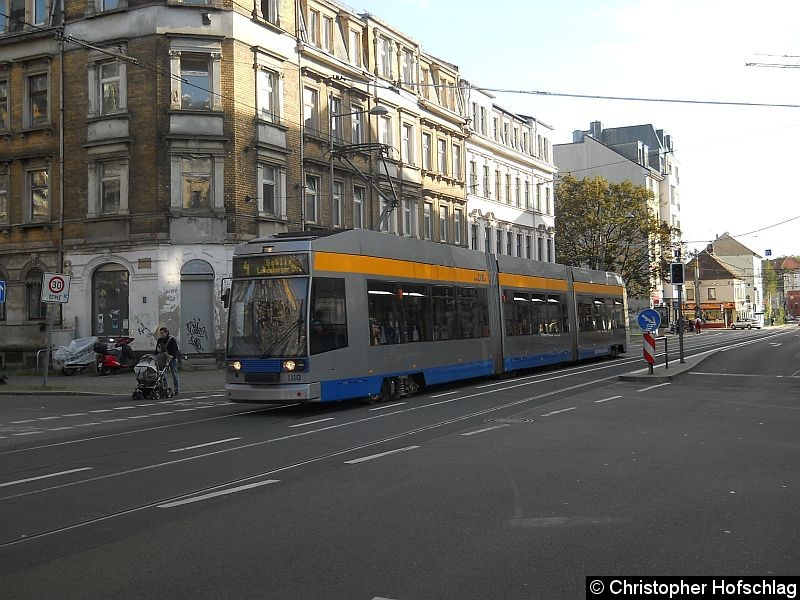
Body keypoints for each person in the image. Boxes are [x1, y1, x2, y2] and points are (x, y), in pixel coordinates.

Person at [156, 326, 181, 395]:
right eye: (160, 333)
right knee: (162, 374)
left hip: (172, 359)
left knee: (174, 374)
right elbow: (157, 349)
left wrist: (172, 356)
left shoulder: (171, 340)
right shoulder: (159, 340)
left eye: (162, 333)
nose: (161, 335)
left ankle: (177, 389)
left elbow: (175, 350)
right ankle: (165, 388)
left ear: (166, 333)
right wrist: (156, 356)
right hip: (163, 359)